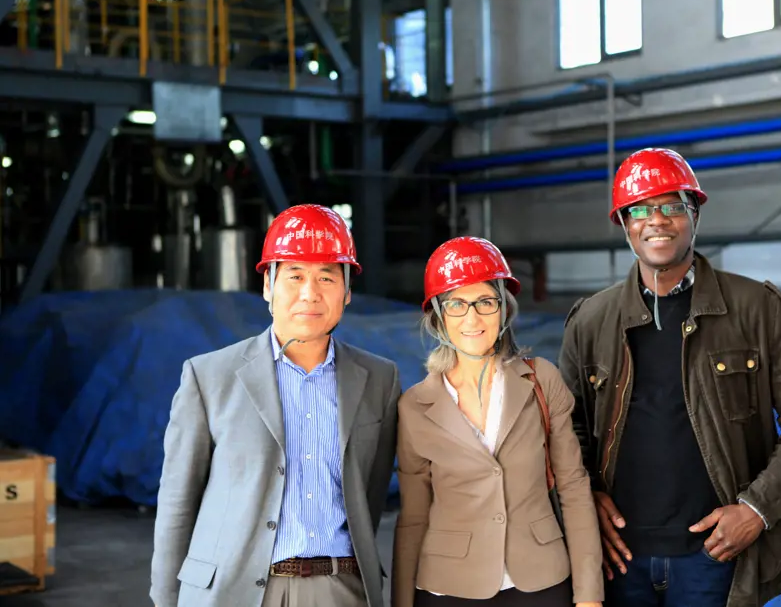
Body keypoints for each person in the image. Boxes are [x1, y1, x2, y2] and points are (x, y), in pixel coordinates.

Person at [558, 148, 781, 607]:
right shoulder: (590, 321)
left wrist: (756, 509)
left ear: (694, 214)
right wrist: (586, 500)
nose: (657, 222)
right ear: (625, 225)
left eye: (671, 207)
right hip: (618, 561)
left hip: (716, 558)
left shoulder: (756, 310)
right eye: (641, 210)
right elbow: (567, 434)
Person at [151, 204, 401, 607]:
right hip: (231, 590)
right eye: (295, 276)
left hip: (340, 589)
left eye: (326, 277)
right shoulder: (209, 376)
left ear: (347, 291)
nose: (310, 293)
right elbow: (178, 503)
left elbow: (370, 493)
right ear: (268, 286)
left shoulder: (379, 380)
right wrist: (165, 599)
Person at [392, 236, 604, 607]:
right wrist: (401, 602)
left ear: (504, 310)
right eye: (457, 304)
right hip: (449, 588)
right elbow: (413, 517)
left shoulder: (541, 379)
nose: (472, 318)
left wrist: (589, 595)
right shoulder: (416, 406)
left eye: (485, 302)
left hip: (540, 582)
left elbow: (573, 487)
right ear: (438, 316)